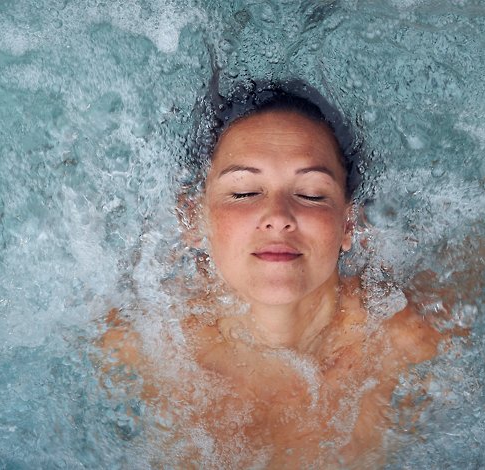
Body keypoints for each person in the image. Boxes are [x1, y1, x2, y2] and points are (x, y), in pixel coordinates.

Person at [98, 79, 449, 468]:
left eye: (312, 194)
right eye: (245, 192)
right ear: (192, 218)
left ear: (349, 224)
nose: (279, 218)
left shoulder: (406, 339)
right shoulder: (136, 345)